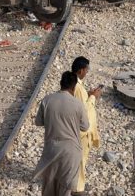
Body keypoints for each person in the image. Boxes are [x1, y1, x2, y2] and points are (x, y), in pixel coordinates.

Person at [33, 71, 89, 196]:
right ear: (74, 87)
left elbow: (38, 122)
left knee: (49, 187)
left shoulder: (47, 100)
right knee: (65, 189)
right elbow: (85, 127)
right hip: (71, 152)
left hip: (51, 150)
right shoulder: (78, 104)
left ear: (60, 83)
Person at [71, 57, 102, 195]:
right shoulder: (77, 86)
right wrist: (93, 97)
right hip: (82, 132)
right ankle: (77, 189)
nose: (87, 72)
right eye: (87, 70)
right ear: (81, 70)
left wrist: (88, 94)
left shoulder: (76, 84)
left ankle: (78, 183)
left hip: (80, 130)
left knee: (80, 158)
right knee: (80, 159)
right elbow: (82, 109)